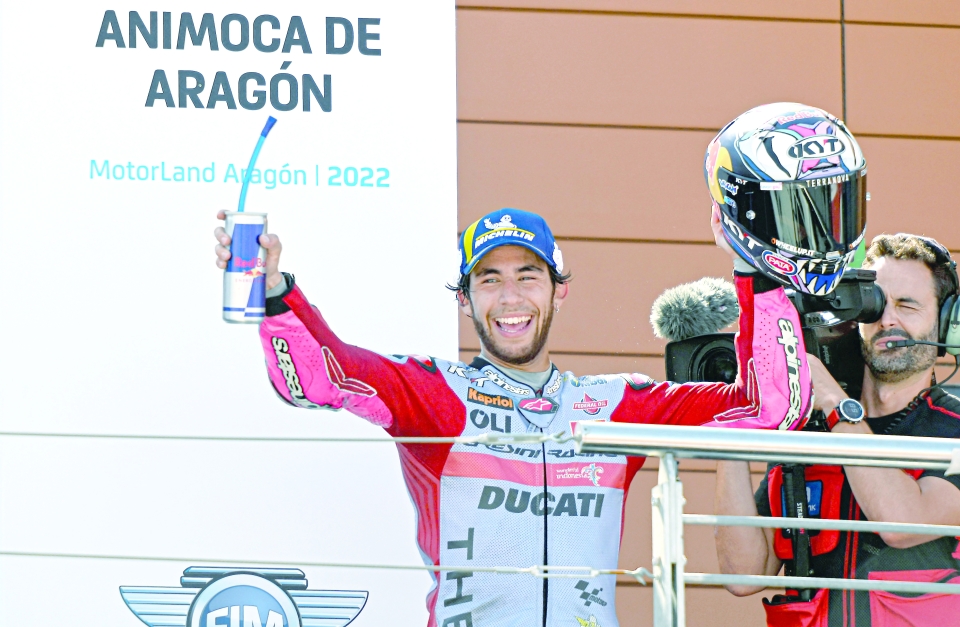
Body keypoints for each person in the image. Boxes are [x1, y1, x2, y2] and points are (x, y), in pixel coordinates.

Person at [213, 204, 813, 627]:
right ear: (465, 298)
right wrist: (274, 292)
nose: (510, 298)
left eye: (528, 276)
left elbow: (767, 408)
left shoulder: (615, 405)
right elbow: (318, 380)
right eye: (489, 279)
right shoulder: (435, 393)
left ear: (558, 290)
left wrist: (756, 272)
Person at [714, 233, 960, 626]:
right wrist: (731, 425)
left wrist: (835, 403)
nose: (888, 320)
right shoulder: (807, 429)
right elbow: (743, 574)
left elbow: (902, 523)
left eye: (908, 306)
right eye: (877, 305)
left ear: (949, 324)